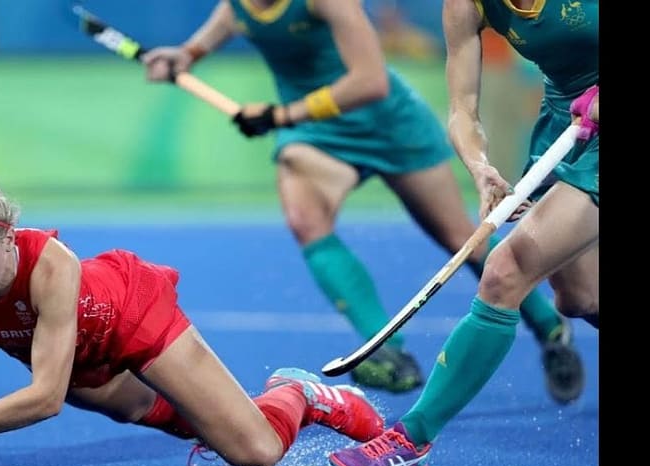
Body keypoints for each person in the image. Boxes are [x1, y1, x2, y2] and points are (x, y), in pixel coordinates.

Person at [139, 0, 584, 401]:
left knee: (460, 237)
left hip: (387, 124)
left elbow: (371, 81)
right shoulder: (237, 5)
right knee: (307, 220)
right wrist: (185, 55)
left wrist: (281, 115)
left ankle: (550, 329)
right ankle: (385, 349)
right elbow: (222, 26)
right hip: (315, 133)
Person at [0, 169, 387, 466]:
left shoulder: (51, 265)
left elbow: (45, 398)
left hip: (131, 317)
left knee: (256, 453)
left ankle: (301, 394)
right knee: (184, 422)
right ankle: (227, 416)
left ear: (8, 238)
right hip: (72, 355)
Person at [328, 0, 598, 466]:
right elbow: (462, 110)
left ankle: (411, 439)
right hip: (567, 122)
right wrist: (480, 166)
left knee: (506, 270)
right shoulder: (466, 5)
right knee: (580, 298)